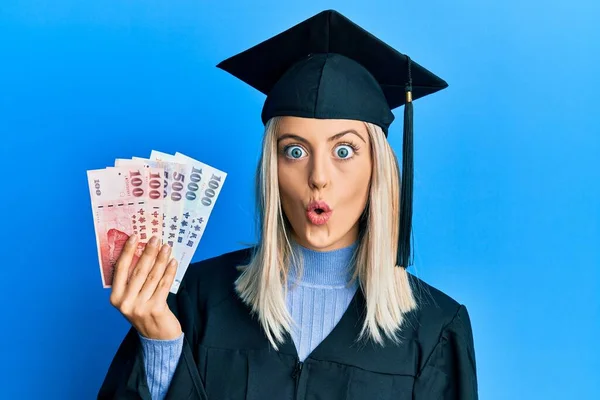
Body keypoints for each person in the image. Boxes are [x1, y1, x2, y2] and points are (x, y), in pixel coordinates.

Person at [97, 9, 478, 400]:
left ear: (377, 170)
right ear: (271, 169)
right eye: (294, 150)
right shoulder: (192, 301)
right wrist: (161, 344)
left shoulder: (434, 331)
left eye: (344, 150)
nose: (318, 176)